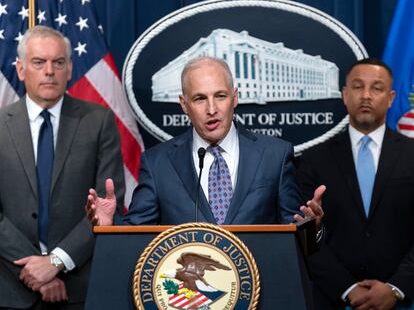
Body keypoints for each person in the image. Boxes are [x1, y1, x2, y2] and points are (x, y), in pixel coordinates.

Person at [87, 56, 324, 230]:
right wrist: (108, 226)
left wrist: (311, 227)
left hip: (260, 292)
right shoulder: (157, 162)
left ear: (235, 97)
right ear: (184, 104)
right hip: (188, 295)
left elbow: (294, 240)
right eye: (200, 98)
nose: (212, 109)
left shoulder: (275, 155)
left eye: (220, 96)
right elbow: (137, 234)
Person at [0, 26, 125, 309]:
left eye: (58, 63)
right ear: (20, 69)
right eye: (38, 62)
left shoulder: (99, 121)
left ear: (69, 69)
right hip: (9, 287)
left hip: (79, 288)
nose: (49, 71)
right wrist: (38, 272)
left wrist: (57, 261)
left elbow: (107, 204)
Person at [297, 58, 414, 310]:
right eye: (358, 87)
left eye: (377, 88)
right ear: (344, 94)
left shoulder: (411, 155)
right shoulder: (313, 160)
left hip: (402, 301)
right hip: (332, 301)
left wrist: (396, 288)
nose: (366, 95)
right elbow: (304, 236)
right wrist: (347, 289)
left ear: (391, 97)